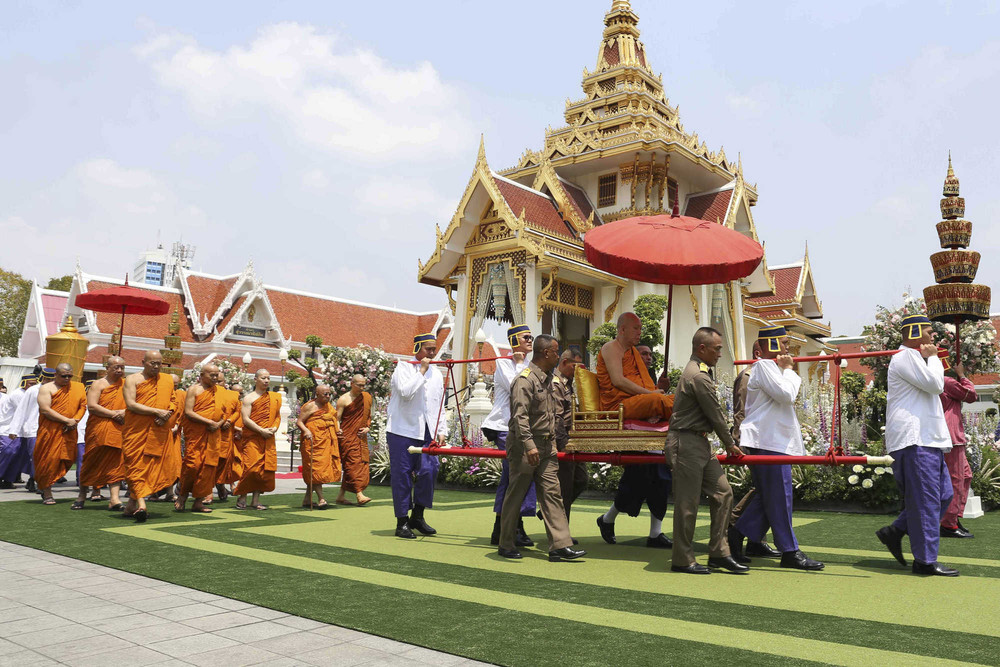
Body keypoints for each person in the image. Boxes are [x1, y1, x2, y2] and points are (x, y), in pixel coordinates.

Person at [728, 327, 824, 570]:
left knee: (769, 496)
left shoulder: (772, 368)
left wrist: (786, 369)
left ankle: (737, 534)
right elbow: (786, 394)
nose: (786, 348)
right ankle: (789, 551)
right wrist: (790, 369)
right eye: (782, 343)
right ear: (770, 344)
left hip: (772, 440)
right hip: (766, 441)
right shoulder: (763, 366)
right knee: (779, 497)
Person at [876, 315, 958, 576]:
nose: (933, 336)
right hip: (915, 439)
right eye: (928, 331)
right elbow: (935, 385)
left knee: (944, 495)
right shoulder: (905, 357)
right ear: (913, 333)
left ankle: (897, 530)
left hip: (926, 438)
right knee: (926, 502)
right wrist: (934, 357)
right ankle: (924, 561)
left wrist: (931, 358)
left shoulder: (914, 358)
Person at [666, 327, 747, 574]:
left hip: (699, 442)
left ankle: (719, 553)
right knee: (687, 504)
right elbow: (715, 414)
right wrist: (731, 443)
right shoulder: (698, 376)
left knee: (724, 493)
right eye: (717, 348)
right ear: (702, 349)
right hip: (686, 442)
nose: (720, 353)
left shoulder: (701, 372)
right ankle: (683, 559)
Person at [498, 335, 584, 562]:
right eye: (556, 352)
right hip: (526, 446)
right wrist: (528, 446)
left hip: (546, 446)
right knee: (516, 493)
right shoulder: (525, 381)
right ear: (546, 353)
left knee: (553, 494)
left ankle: (559, 546)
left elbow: (551, 417)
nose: (558, 356)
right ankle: (506, 543)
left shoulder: (548, 380)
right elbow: (519, 417)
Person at [596, 343, 673, 549]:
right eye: (643, 354)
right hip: (636, 433)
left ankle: (654, 533)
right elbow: (634, 398)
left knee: (661, 481)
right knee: (636, 482)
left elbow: (654, 398)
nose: (648, 358)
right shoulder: (623, 368)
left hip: (655, 434)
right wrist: (654, 400)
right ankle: (608, 519)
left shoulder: (648, 377)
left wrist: (659, 391)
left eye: (649, 355)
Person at [385, 333, 448, 539]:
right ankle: (401, 521)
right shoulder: (403, 368)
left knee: (430, 470)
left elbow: (438, 404)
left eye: (434, 349)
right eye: (428, 349)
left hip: (428, 430)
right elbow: (406, 392)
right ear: (418, 349)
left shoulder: (437, 374)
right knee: (402, 475)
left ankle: (417, 516)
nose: (432, 353)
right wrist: (421, 370)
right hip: (402, 429)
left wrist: (442, 430)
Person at [482, 324, 535, 546]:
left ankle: (504, 526)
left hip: (522, 428)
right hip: (505, 427)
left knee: (513, 477)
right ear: (514, 341)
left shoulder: (529, 366)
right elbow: (517, 387)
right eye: (526, 338)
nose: (530, 340)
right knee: (518, 474)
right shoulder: (503, 364)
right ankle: (512, 526)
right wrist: (520, 362)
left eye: (531, 337)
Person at [728, 342, 780, 559]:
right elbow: (741, 411)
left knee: (766, 488)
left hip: (767, 439)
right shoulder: (748, 376)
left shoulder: (768, 374)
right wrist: (740, 441)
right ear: (758, 353)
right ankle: (734, 524)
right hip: (752, 439)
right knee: (766, 489)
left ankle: (755, 539)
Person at [121, 351, 178, 522]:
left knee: (151, 469)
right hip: (136, 432)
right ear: (143, 362)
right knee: (135, 467)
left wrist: (167, 415)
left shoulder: (167, 380)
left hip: (158, 431)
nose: (156, 366)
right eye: (152, 363)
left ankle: (132, 504)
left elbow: (173, 401)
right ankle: (141, 505)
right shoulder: (132, 380)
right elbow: (131, 404)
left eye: (159, 363)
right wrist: (156, 412)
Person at [597, 312, 674, 421]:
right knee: (658, 400)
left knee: (677, 398)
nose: (639, 333)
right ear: (623, 330)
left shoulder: (633, 352)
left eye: (640, 329)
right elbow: (618, 381)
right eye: (636, 328)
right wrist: (650, 393)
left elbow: (641, 380)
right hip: (619, 405)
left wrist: (656, 389)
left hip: (638, 399)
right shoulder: (611, 348)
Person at [74, 357, 127, 510]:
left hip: (118, 429)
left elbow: (133, 402)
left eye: (122, 367)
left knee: (116, 463)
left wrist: (124, 412)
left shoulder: (126, 384)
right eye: (116, 367)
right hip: (99, 428)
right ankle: (82, 495)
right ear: (107, 368)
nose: (119, 370)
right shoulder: (98, 384)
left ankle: (115, 499)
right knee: (91, 461)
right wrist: (113, 414)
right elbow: (91, 406)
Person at [937, 351, 978, 539]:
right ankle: (948, 523)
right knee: (955, 480)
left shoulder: (936, 381)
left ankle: (953, 517)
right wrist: (961, 375)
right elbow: (971, 395)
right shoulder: (945, 381)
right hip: (951, 435)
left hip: (949, 434)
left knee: (965, 476)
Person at [33, 364, 87, 504]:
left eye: (70, 376)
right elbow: (45, 409)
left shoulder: (78, 387)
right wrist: (66, 420)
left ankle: (49, 485)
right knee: (48, 461)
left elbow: (82, 405)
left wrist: (74, 421)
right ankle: (47, 492)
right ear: (56, 375)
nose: (67, 379)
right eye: (64, 376)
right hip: (50, 431)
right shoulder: (46, 388)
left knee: (68, 458)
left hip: (69, 430)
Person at [176, 363, 223, 513]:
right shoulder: (194, 390)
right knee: (192, 465)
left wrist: (218, 423)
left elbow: (225, 412)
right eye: (212, 375)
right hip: (197, 434)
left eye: (217, 375)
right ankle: (182, 496)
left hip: (213, 434)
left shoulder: (220, 392)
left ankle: (198, 501)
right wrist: (208, 422)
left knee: (208, 468)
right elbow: (188, 412)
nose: (215, 378)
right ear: (202, 375)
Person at [234, 370, 282, 510]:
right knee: (251, 469)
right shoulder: (249, 398)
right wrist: (261, 430)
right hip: (253, 438)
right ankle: (242, 496)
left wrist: (274, 428)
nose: (266, 380)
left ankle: (256, 500)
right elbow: (245, 419)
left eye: (268, 378)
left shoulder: (274, 398)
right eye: (263, 378)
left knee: (263, 471)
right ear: (256, 379)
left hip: (268, 438)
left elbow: (277, 416)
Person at [554, 348, 586, 528]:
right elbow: (557, 417)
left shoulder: (571, 383)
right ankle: (562, 533)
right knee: (564, 488)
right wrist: (563, 443)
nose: (578, 370)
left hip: (575, 439)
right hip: (564, 440)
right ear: (565, 363)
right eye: (576, 366)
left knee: (581, 480)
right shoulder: (556, 383)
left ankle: (549, 512)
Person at [9, 368, 51, 492]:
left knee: (48, 457)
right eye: (48, 378)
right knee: (36, 457)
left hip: (51, 429)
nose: (50, 381)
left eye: (52, 378)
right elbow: (22, 410)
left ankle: (37, 480)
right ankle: (37, 481)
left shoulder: (57, 390)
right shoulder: (33, 391)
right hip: (33, 428)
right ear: (43, 377)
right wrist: (14, 429)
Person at [335, 374, 373, 506]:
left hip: (360, 437)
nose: (362, 388)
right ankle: (359, 494)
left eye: (364, 385)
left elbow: (368, 416)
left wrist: (368, 428)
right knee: (352, 465)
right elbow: (337, 419)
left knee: (360, 464)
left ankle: (340, 496)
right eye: (359, 385)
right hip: (347, 437)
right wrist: (338, 430)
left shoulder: (366, 398)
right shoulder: (343, 399)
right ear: (352, 384)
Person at [0, 373, 36, 488]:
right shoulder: (18, 394)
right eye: (31, 383)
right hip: (8, 429)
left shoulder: (28, 393)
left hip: (22, 430)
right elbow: (24, 412)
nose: (33, 386)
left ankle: (8, 480)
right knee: (10, 451)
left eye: (35, 384)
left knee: (18, 456)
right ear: (24, 383)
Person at [213, 382, 243, 502]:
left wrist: (232, 424)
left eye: (240, 393)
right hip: (216, 433)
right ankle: (209, 492)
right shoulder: (210, 394)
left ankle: (225, 484)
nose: (238, 394)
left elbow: (239, 415)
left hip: (232, 436)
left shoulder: (239, 402)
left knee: (229, 463)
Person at [157, 374, 185, 502]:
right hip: (158, 433)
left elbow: (184, 413)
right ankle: (155, 492)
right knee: (159, 464)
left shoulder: (181, 395)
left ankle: (169, 492)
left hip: (174, 434)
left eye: (177, 384)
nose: (175, 386)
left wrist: (177, 426)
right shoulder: (160, 392)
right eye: (172, 384)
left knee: (173, 464)